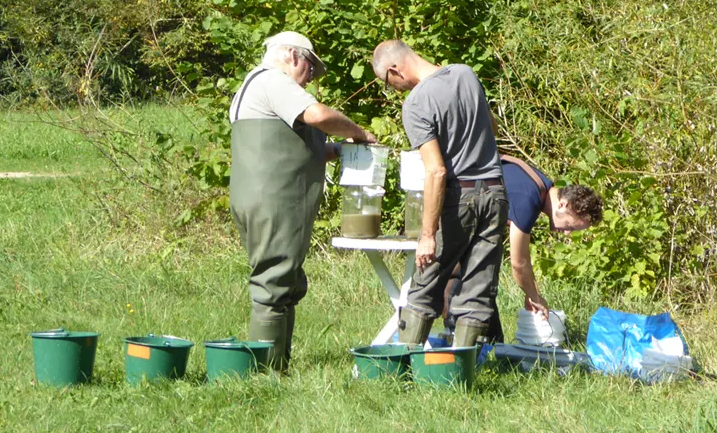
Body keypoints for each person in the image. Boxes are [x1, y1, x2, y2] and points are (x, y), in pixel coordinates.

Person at [229, 31, 377, 371]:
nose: (311, 77)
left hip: (262, 197)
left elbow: (295, 148)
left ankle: (279, 364)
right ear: (293, 57)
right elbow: (319, 116)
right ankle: (266, 371)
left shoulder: (253, 87)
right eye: (311, 68)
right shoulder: (273, 81)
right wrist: (358, 133)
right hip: (276, 199)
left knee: (287, 279)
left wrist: (340, 151)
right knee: (274, 281)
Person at [371, 39, 508, 348]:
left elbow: (436, 171)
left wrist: (427, 235)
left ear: (395, 70)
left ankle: (403, 363)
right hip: (496, 192)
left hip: (459, 197)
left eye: (388, 82)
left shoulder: (416, 103)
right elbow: (493, 128)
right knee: (479, 286)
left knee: (426, 283)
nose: (393, 89)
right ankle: (462, 370)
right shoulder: (465, 74)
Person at [443, 154, 603, 342]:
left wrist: (531, 291)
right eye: (570, 226)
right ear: (563, 204)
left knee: (485, 280)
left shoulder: (541, 184)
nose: (566, 233)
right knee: (461, 281)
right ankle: (457, 344)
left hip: (469, 207)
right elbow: (518, 262)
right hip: (455, 207)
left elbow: (523, 257)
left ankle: (493, 346)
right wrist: (535, 296)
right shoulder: (529, 198)